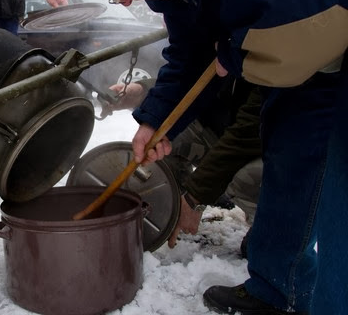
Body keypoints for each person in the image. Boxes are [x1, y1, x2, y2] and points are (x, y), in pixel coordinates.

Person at [62, 0, 347, 315]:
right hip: (307, 57)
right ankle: (279, 289)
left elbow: (304, 25)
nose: (123, 1)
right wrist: (155, 120)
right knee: (288, 148)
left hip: (327, 26)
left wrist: (234, 54)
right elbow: (191, 51)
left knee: (341, 187)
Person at [104, 79, 262, 253]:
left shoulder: (271, 70)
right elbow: (190, 74)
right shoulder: (228, 61)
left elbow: (245, 136)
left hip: (266, 152)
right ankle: (175, 211)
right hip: (223, 134)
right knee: (166, 138)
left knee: (244, 177)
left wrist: (196, 196)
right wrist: (143, 91)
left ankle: (276, 225)